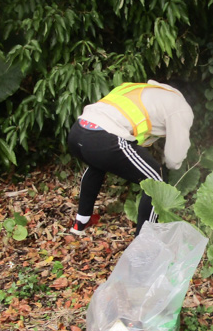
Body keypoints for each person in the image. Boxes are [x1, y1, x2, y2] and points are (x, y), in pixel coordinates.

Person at [66, 80, 194, 236]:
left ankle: (80, 223)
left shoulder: (143, 90)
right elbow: (174, 158)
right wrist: (169, 166)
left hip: (78, 131)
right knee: (156, 180)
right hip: (104, 138)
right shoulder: (181, 109)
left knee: (96, 165)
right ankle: (144, 242)